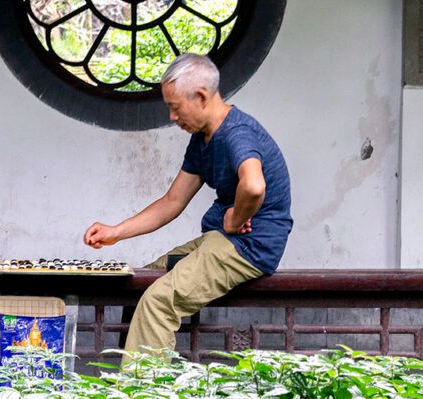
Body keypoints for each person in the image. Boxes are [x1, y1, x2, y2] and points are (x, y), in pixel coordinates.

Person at [84, 53, 293, 357]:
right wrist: (116, 232)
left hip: (249, 247)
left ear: (201, 96)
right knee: (144, 281)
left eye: (175, 107)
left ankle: (146, 390)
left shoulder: (237, 133)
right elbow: (173, 201)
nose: (172, 117)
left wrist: (237, 217)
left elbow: (254, 185)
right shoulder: (202, 139)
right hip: (223, 240)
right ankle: (129, 375)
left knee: (158, 302)